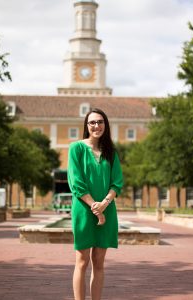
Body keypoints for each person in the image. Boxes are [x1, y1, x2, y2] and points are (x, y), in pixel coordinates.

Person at [68, 107, 123, 300]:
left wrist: (104, 205)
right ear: (86, 125)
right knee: (82, 262)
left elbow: (117, 182)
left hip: (107, 211)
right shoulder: (76, 149)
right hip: (84, 211)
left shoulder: (111, 152)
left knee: (99, 263)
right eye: (92, 122)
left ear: (105, 125)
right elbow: (76, 183)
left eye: (100, 122)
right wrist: (95, 207)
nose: (96, 126)